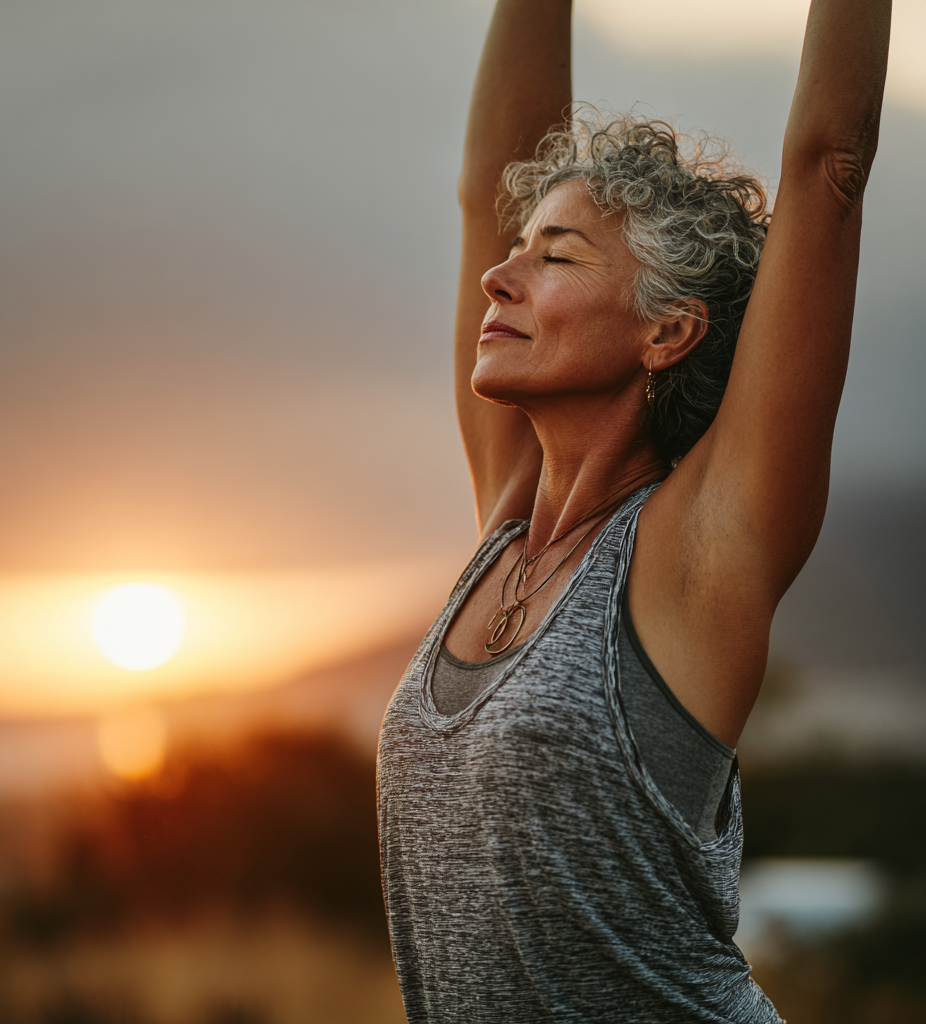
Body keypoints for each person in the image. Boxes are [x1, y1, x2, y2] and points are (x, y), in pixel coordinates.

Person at [376, 0, 891, 1021]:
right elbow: (488, 189)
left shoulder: (702, 551)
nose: (498, 273)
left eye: (555, 256)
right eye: (520, 247)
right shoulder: (508, 525)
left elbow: (827, 165)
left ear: (667, 331)